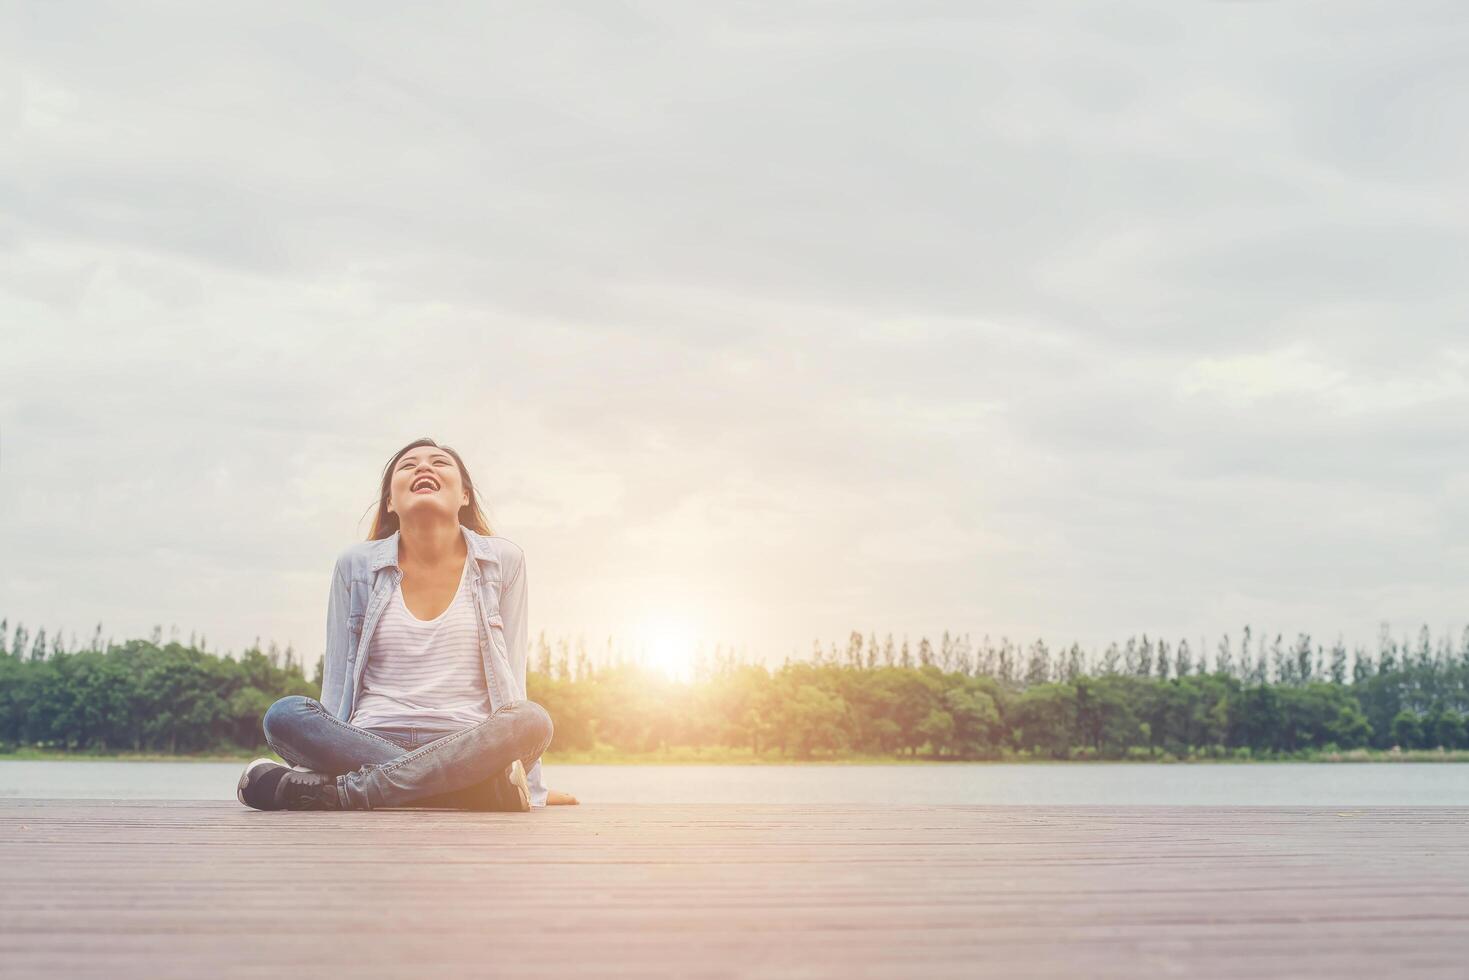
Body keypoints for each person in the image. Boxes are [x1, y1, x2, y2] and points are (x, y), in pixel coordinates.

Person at [237, 437, 576, 812]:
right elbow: (335, 680)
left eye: (439, 462)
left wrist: (535, 786)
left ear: (464, 496)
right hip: (365, 738)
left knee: (531, 719)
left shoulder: (503, 560)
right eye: (408, 465)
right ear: (390, 502)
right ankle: (472, 791)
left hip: (468, 742)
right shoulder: (355, 565)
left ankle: (347, 792)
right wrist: (316, 751)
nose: (424, 467)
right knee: (285, 715)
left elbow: (512, 675)